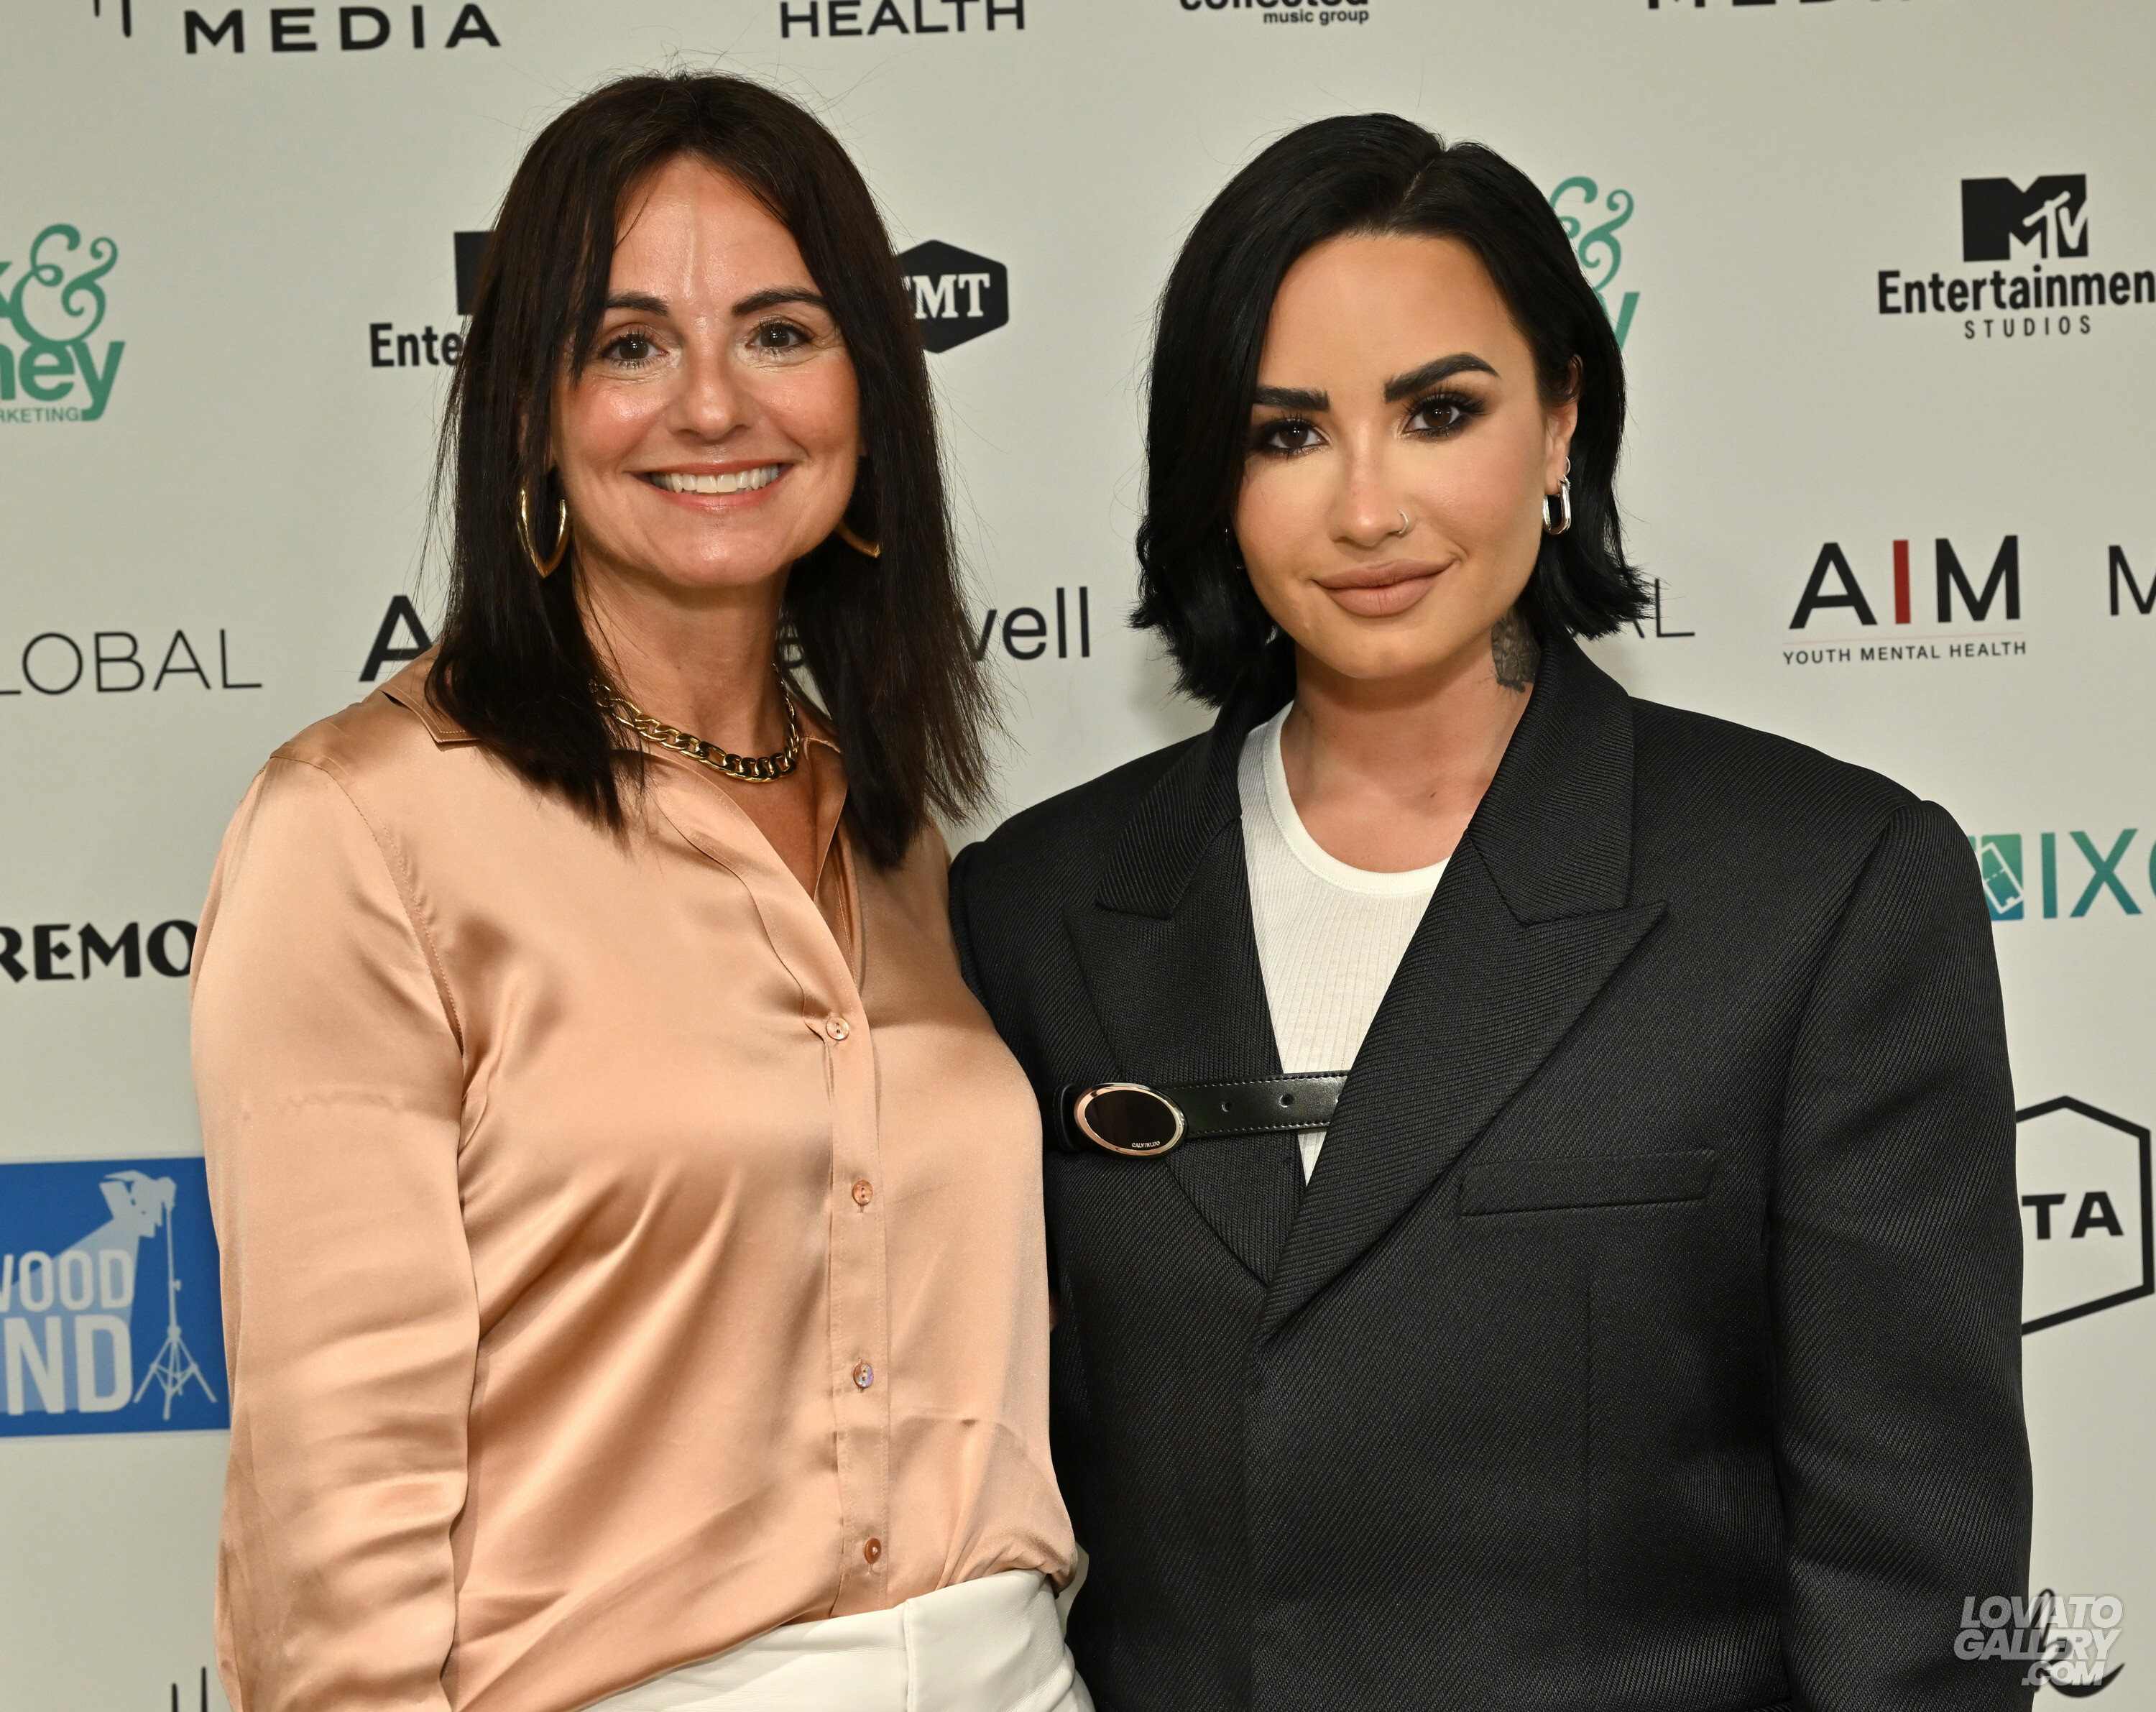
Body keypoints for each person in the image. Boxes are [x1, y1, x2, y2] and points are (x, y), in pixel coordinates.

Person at [950, 115, 2032, 1711]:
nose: (1367, 507)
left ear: (1560, 422)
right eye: (1285, 434)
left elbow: (1921, 1590)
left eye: (1438, 413)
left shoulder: (1825, 888)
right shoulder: (1030, 910)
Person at [191, 71, 1085, 1712]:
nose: (712, 406)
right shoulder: (364, 830)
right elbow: (334, 1502)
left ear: (870, 390)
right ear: (531, 412)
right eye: (628, 345)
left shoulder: (899, 834)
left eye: (780, 333)